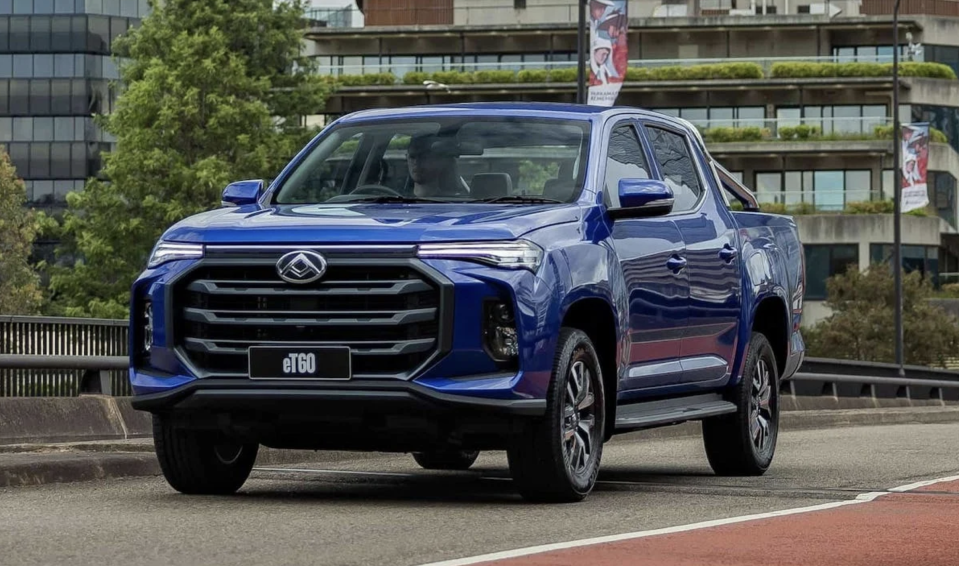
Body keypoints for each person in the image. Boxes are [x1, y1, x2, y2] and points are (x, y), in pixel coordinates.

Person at [406, 134, 470, 198]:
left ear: (439, 161)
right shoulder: (397, 196)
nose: (416, 162)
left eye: (423, 157)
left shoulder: (458, 201)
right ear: (407, 159)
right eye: (412, 157)